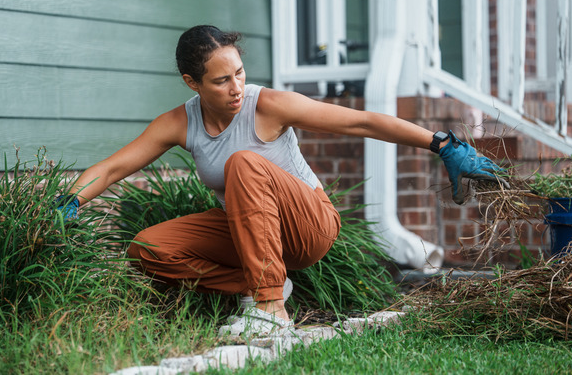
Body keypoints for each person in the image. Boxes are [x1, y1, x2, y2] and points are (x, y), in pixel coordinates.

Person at [57, 25, 506, 337]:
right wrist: (69, 202)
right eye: (220, 81)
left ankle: (271, 309)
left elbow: (361, 122)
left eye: (239, 73)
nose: (235, 87)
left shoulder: (267, 105)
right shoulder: (180, 122)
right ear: (191, 82)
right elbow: (114, 168)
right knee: (150, 250)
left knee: (242, 164)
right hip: (252, 229)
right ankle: (262, 285)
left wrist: (442, 144)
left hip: (310, 225)